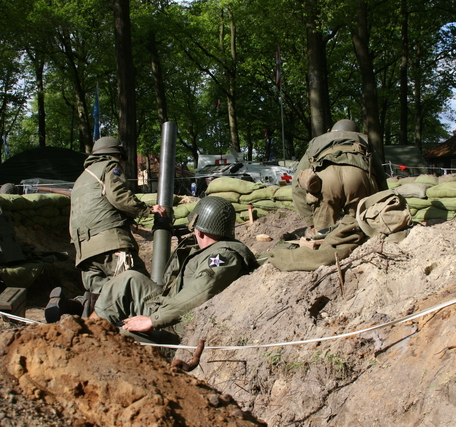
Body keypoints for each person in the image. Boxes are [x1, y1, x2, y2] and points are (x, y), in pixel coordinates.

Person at [88, 196, 259, 343]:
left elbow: (200, 292)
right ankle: (86, 331)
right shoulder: (209, 251)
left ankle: (90, 341)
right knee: (129, 279)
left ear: (198, 230)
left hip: (183, 329)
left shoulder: (224, 256)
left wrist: (152, 321)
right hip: (171, 310)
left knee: (122, 337)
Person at [45, 136, 167, 323]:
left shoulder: (81, 178)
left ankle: (73, 308)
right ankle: (153, 340)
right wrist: (147, 209)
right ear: (117, 154)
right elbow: (118, 195)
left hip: (84, 251)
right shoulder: (110, 167)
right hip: (111, 245)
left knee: (103, 295)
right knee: (139, 289)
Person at [291, 119, 388, 234]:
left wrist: (310, 221)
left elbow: (297, 185)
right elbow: (381, 178)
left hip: (325, 181)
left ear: (331, 131)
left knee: (323, 233)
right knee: (358, 228)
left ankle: (324, 243)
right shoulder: (362, 142)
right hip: (357, 177)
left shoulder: (316, 145)